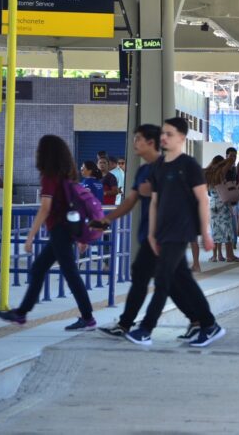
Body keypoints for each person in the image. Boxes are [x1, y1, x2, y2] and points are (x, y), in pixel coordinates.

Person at [125, 117, 225, 347]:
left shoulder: (189, 165)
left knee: (163, 280)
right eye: (163, 133)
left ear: (182, 137)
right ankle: (207, 324)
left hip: (181, 231)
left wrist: (206, 233)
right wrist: (151, 234)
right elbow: (154, 202)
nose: (164, 137)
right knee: (183, 279)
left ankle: (145, 329)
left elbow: (202, 199)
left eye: (169, 134)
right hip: (161, 233)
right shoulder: (159, 166)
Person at [96, 124, 202, 341]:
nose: (134, 143)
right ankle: (200, 321)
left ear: (151, 143)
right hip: (151, 234)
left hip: (166, 235)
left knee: (149, 277)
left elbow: (182, 199)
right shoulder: (143, 170)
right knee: (173, 281)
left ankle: (133, 326)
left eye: (138, 139)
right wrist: (107, 218)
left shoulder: (169, 167)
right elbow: (131, 200)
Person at [0, 135, 96, 330]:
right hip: (65, 230)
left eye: (39, 149)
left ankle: (88, 317)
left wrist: (30, 235)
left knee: (70, 273)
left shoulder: (50, 177)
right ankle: (21, 313)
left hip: (59, 231)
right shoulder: (66, 176)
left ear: (46, 154)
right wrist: (79, 236)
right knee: (39, 268)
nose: (36, 153)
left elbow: (45, 208)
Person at [206, 154, 236, 262]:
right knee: (226, 229)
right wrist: (225, 161)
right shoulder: (221, 173)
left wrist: (215, 164)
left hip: (213, 204)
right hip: (222, 204)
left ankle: (215, 256)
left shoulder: (208, 174)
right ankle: (228, 255)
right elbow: (231, 160)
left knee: (215, 230)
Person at [226, 146, 239, 249]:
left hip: (234, 200)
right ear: (226, 156)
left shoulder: (236, 170)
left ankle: (233, 242)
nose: (233, 158)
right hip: (225, 201)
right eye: (231, 156)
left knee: (234, 223)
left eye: (234, 156)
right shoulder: (222, 170)